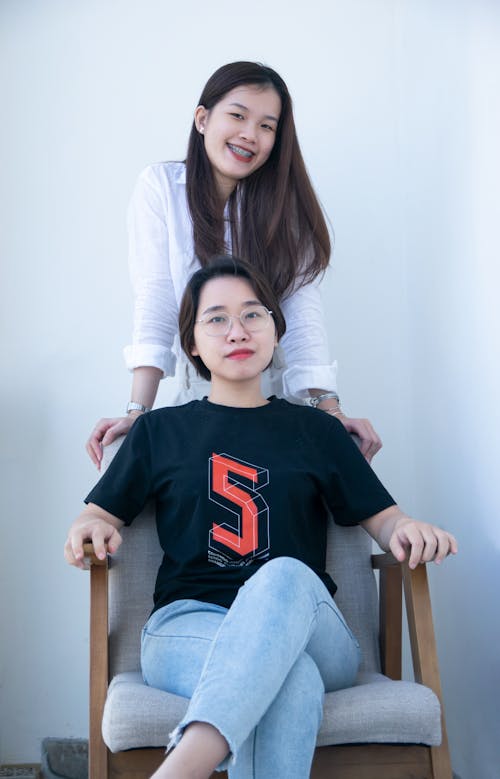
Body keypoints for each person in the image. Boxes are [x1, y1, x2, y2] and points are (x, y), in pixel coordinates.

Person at [67, 256, 457, 779]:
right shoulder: (157, 432)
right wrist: (87, 528)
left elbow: (387, 522)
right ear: (192, 344)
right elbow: (96, 515)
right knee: (290, 681)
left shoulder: (318, 431)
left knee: (284, 573)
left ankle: (186, 763)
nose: (237, 331)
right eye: (217, 319)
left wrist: (408, 528)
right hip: (185, 628)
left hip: (314, 632)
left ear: (276, 331)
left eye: (253, 314)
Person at [86, 60, 382, 470]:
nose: (250, 134)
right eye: (238, 116)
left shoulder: (283, 206)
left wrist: (329, 409)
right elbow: (156, 296)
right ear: (203, 119)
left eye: (267, 126)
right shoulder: (161, 188)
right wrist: (138, 409)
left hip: (274, 391)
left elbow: (301, 311)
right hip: (200, 389)